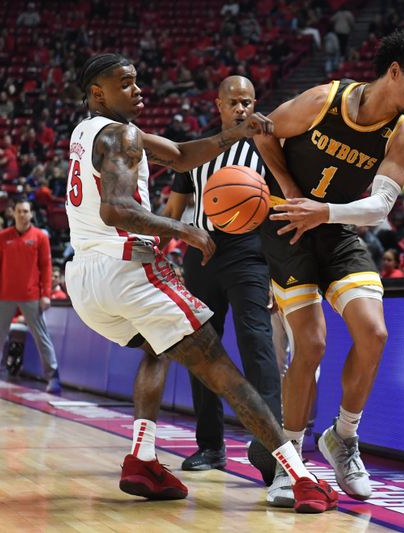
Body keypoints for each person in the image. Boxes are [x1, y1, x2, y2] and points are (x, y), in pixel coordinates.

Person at [62, 53, 336, 513]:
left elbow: (181, 155)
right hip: (128, 268)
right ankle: (301, 477)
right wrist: (183, 229)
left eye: (137, 81)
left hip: (85, 280)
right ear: (97, 92)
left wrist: (234, 135)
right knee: (219, 367)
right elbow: (116, 209)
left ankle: (143, 461)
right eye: (125, 84)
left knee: (157, 347)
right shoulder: (122, 134)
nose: (138, 90)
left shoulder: (86, 132)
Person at [253, 30, 404, 500]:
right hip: (286, 226)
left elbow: (380, 206)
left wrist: (324, 211)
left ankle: (343, 436)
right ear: (393, 72)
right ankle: (290, 461)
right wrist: (291, 192)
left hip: (335, 226)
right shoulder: (323, 100)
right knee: (312, 345)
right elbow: (263, 132)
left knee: (374, 333)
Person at [163, 76, 281, 487]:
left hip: (250, 255)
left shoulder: (267, 149)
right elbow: (174, 208)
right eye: (233, 102)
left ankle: (272, 447)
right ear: (218, 105)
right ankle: (210, 447)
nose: (241, 109)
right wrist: (164, 250)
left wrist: (276, 269)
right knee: (204, 350)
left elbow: (280, 208)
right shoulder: (197, 152)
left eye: (247, 102)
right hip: (202, 254)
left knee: (257, 344)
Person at [0, 200, 60, 394]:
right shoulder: (3, 237)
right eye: (19, 211)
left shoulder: (40, 237)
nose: (22, 214)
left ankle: (53, 377)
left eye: (26, 211)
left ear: (31, 214)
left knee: (41, 337)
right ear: (14, 214)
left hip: (32, 296)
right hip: (5, 295)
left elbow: (46, 267)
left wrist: (46, 294)